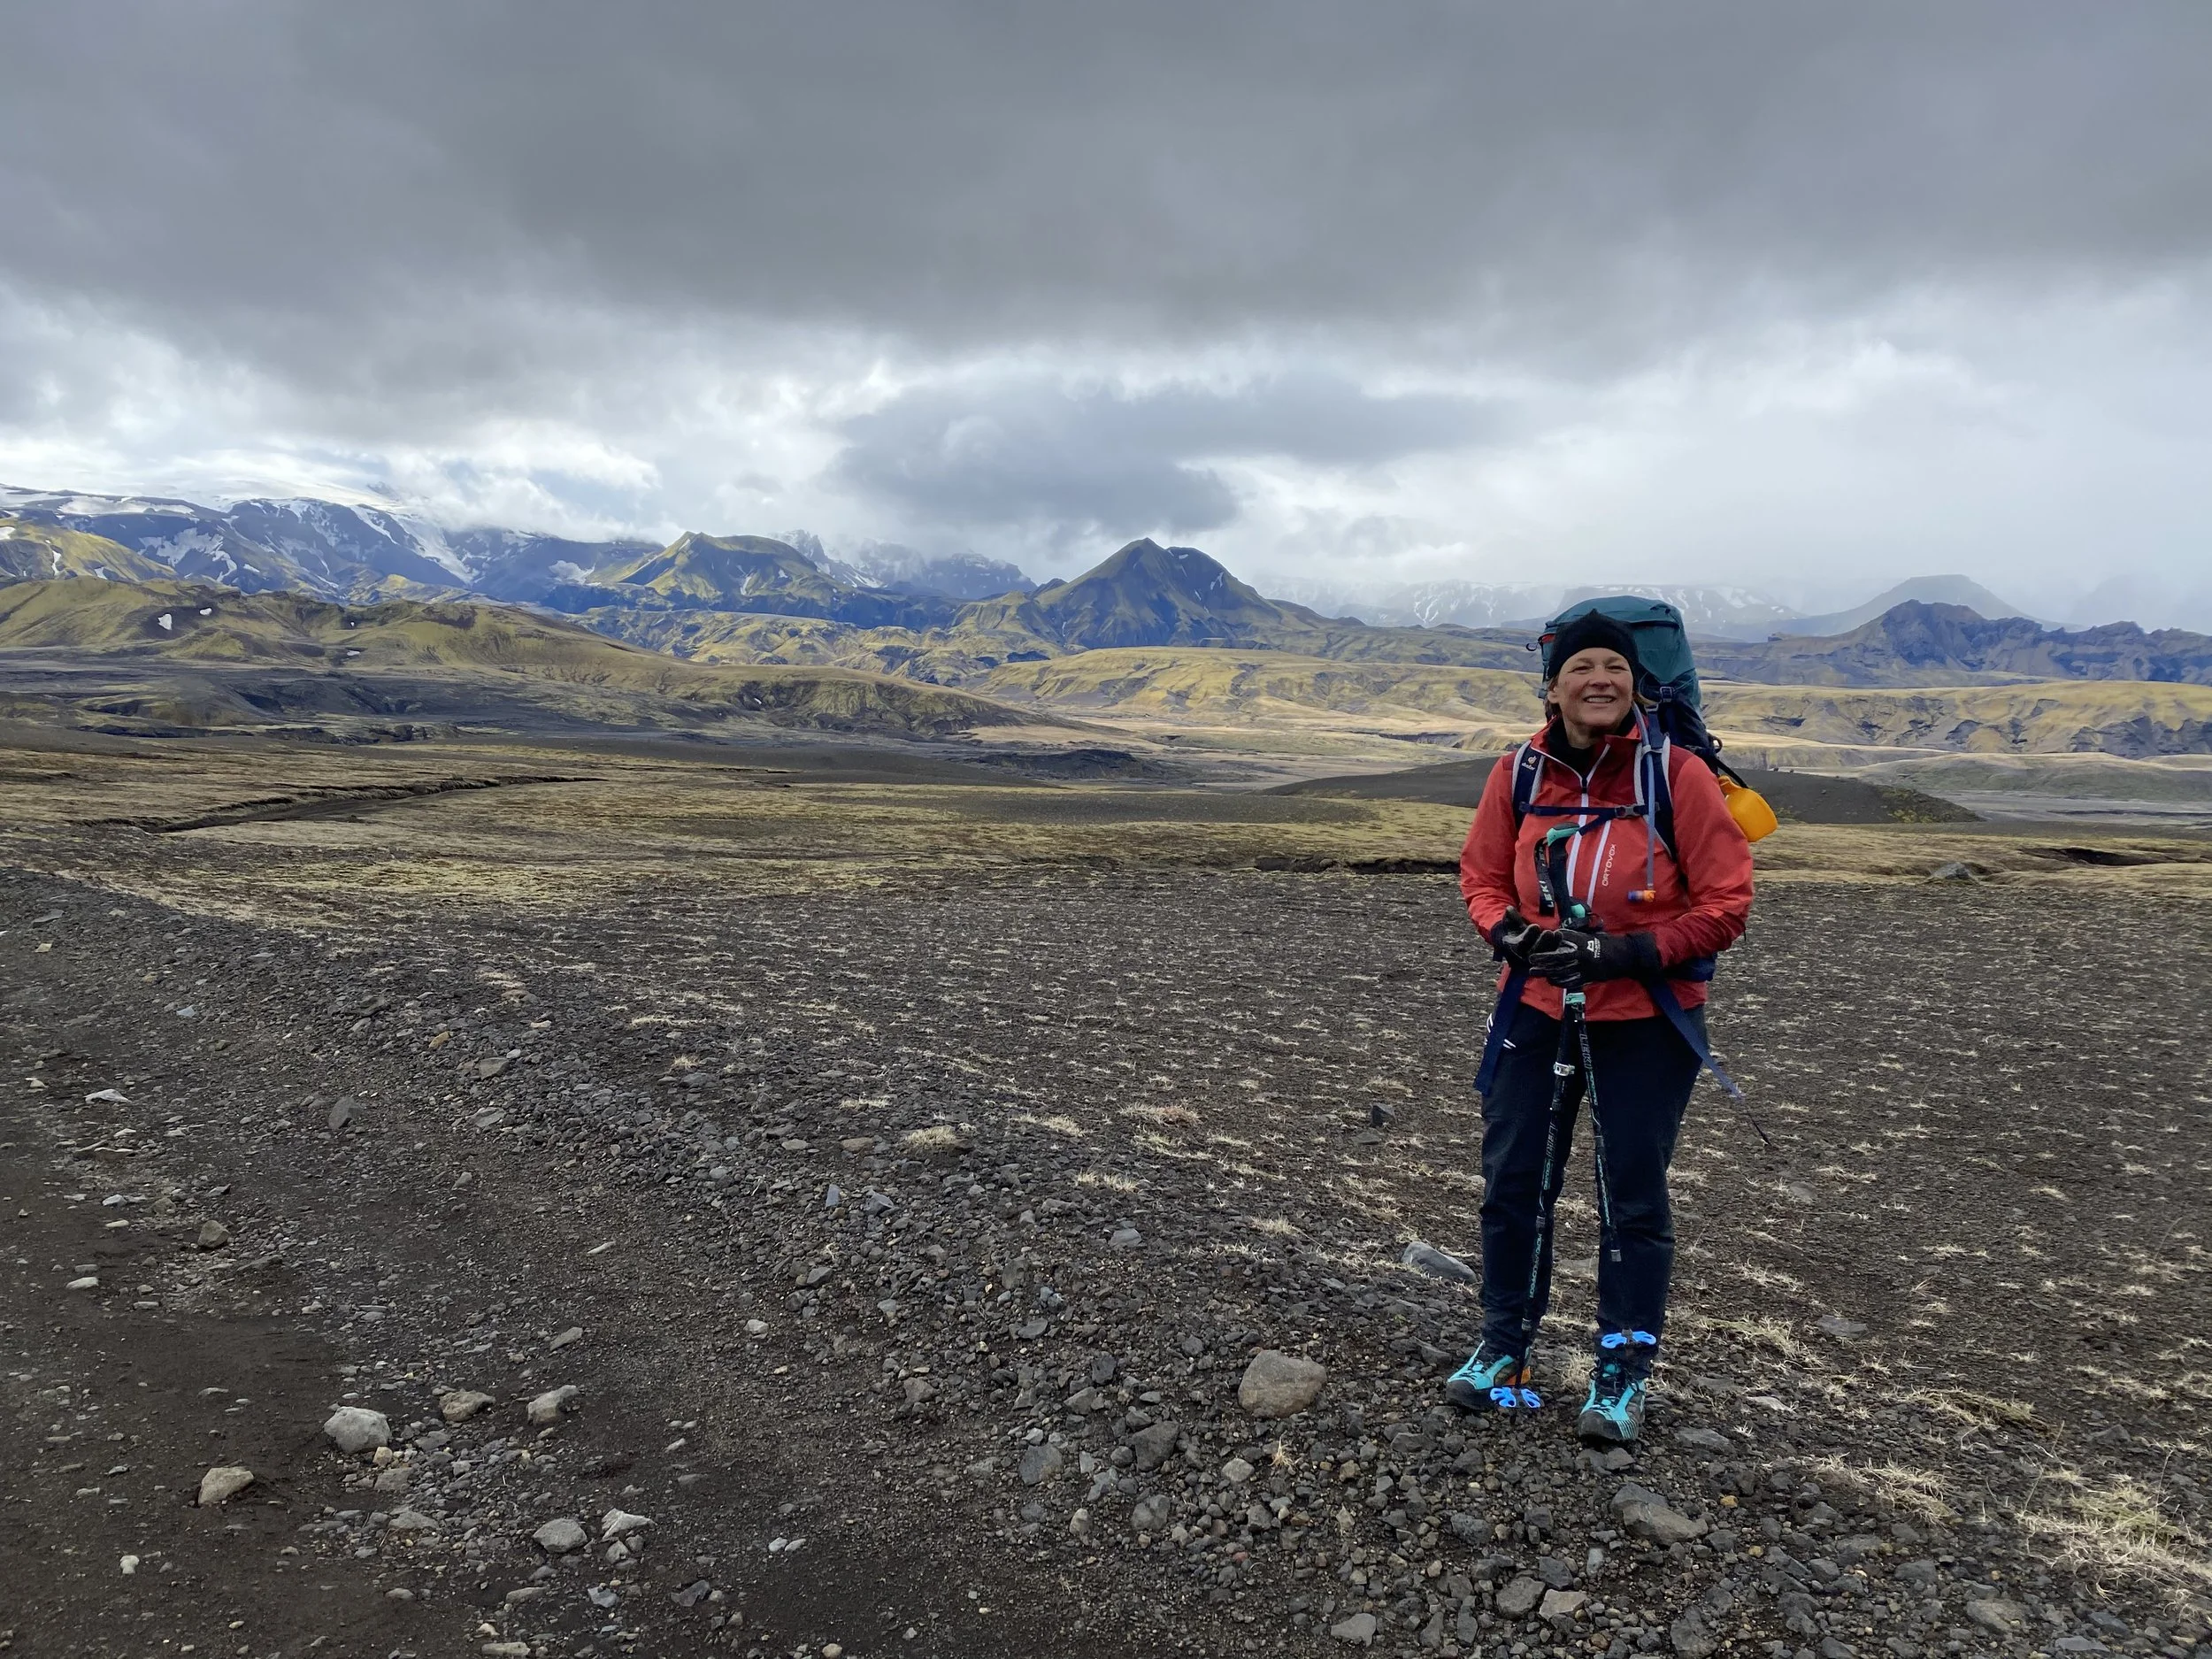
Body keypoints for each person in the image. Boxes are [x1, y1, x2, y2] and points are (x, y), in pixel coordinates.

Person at [1445, 611, 1755, 1442]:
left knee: (1631, 1196)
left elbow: (1728, 902)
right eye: (1581, 665)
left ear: (1637, 682)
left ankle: (1620, 1371)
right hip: (1536, 1008)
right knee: (1515, 1183)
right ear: (1552, 686)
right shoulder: (1516, 772)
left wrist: (1628, 950)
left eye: (1614, 666)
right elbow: (1480, 874)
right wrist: (1506, 932)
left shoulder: (1676, 775)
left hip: (1646, 1021)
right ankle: (1503, 1345)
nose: (1599, 680)